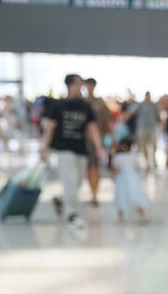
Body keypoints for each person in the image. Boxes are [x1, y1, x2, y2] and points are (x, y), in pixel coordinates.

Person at [40, 74, 105, 228]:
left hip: (81, 149)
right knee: (69, 180)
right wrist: (44, 149)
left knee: (78, 181)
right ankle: (72, 214)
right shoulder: (58, 106)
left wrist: (99, 147)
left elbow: (92, 128)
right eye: (77, 84)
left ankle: (61, 200)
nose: (80, 87)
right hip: (64, 149)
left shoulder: (85, 106)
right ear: (69, 85)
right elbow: (50, 128)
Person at [84, 78, 113, 206]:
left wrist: (111, 138)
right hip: (83, 140)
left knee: (96, 166)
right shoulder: (82, 102)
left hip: (98, 139)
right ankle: (92, 192)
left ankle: (95, 194)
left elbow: (107, 123)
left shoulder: (100, 103)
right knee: (87, 167)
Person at [110, 137, 149, 223]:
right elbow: (138, 167)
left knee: (121, 196)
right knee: (135, 195)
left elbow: (115, 169)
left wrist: (113, 177)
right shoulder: (134, 156)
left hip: (122, 179)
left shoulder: (118, 157)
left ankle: (120, 217)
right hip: (133, 178)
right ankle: (142, 215)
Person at [131, 91, 159, 170]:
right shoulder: (140, 105)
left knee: (153, 145)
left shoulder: (154, 105)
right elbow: (132, 112)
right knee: (144, 146)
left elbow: (158, 116)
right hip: (142, 128)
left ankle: (154, 161)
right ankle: (147, 163)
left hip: (152, 128)